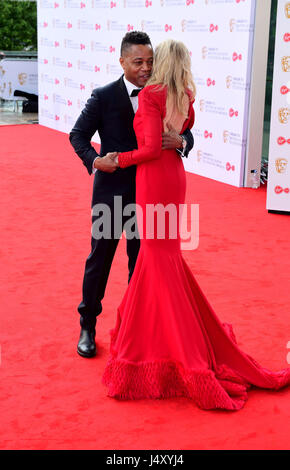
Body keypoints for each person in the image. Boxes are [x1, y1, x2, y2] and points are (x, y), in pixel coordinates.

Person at [101, 39, 290, 411]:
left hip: (154, 178)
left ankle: (174, 346)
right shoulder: (182, 94)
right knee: (160, 259)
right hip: (173, 176)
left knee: (156, 258)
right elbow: (179, 136)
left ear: (161, 63)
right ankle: (156, 336)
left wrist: (117, 159)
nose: (148, 64)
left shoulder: (152, 95)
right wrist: (174, 139)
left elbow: (151, 149)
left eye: (153, 60)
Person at [69, 32, 194, 358]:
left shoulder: (164, 91)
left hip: (150, 193)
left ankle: (135, 329)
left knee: (142, 265)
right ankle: (88, 325)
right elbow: (78, 134)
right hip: (111, 193)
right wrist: (96, 160)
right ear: (122, 60)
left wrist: (180, 142)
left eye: (150, 61)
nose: (145, 67)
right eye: (138, 62)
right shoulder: (104, 96)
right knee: (100, 260)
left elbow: (187, 130)